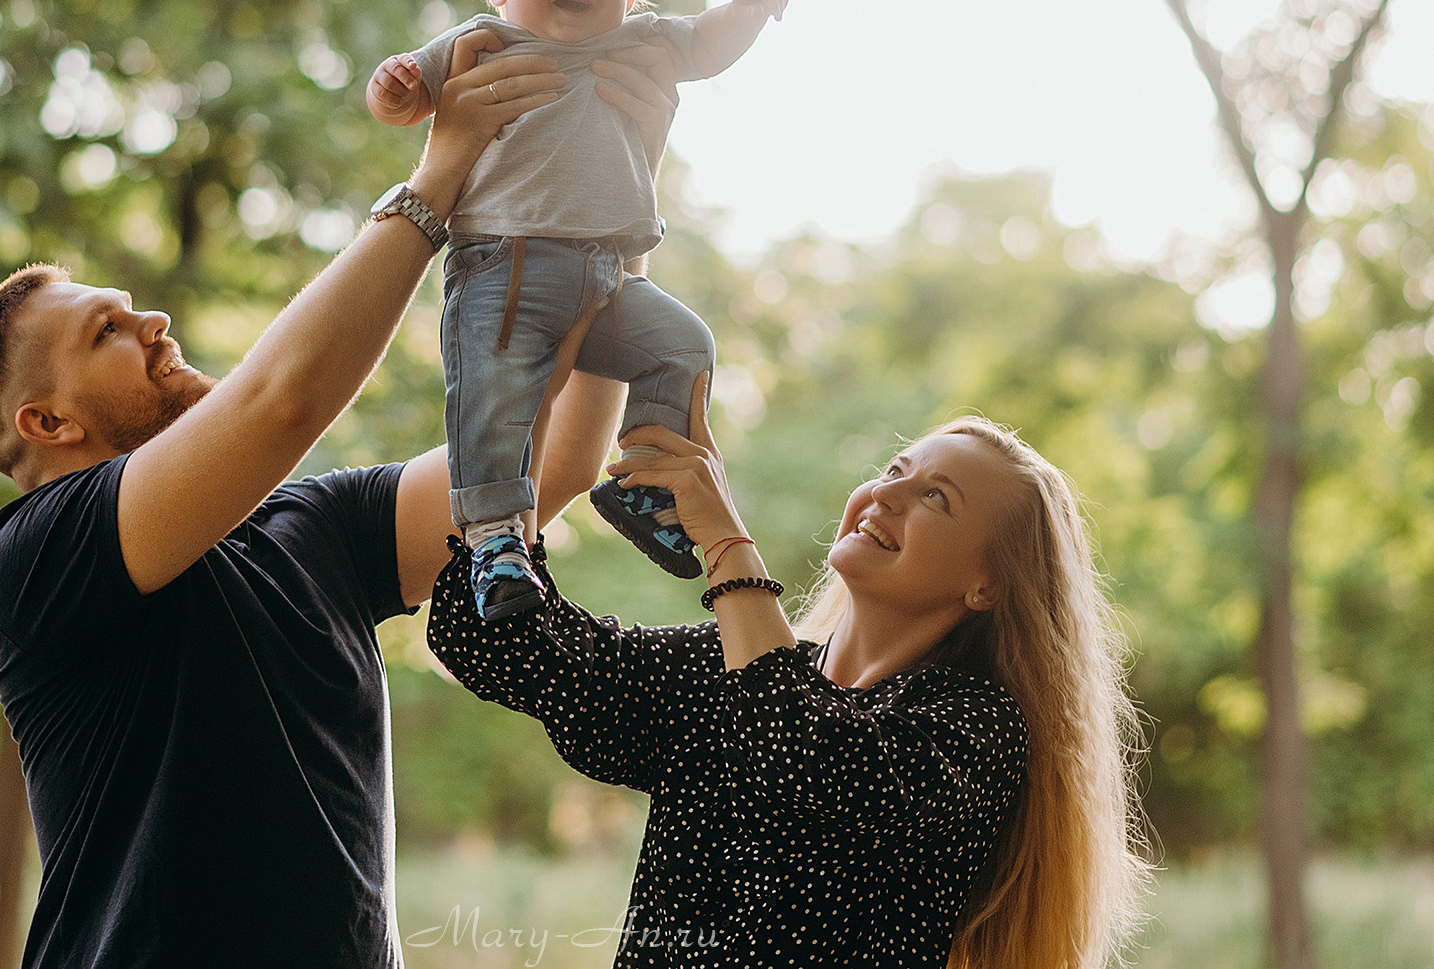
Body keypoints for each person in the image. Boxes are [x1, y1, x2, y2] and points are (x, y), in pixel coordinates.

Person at [0, 36, 680, 969]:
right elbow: (281, 399)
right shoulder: (35, 554)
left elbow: (556, 458)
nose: (152, 321)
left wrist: (618, 206)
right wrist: (440, 171)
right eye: (108, 332)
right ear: (45, 422)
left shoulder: (316, 527)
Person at [428, 390, 1151, 967]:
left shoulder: (975, 727)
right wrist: (555, 383)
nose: (888, 495)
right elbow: (497, 642)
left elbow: (800, 764)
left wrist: (727, 543)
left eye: (937, 497)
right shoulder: (729, 673)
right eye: (897, 469)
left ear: (987, 585)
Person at [365, 0, 788, 620]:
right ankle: (495, 539)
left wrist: (749, 10)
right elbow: (407, 94)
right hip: (505, 265)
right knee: (495, 401)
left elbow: (705, 42)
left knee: (684, 345)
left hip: (611, 273)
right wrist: (396, 87)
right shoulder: (484, 43)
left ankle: (643, 486)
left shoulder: (637, 45)